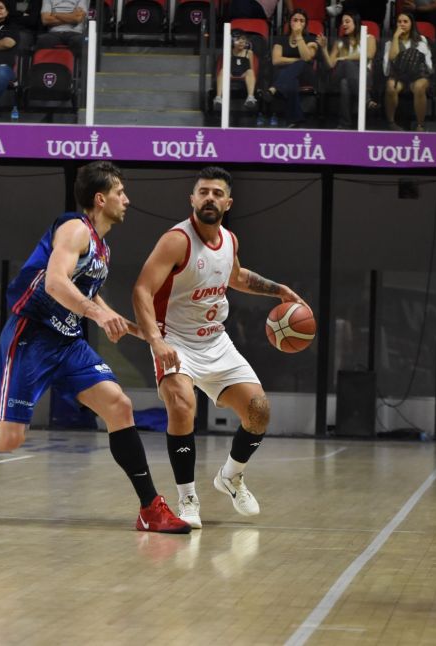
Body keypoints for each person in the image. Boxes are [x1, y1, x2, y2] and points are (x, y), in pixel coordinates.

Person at [0, 161, 190, 534]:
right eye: (120, 192)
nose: (127, 199)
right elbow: (55, 282)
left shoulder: (102, 248)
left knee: (119, 406)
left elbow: (87, 292)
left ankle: (150, 508)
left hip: (68, 342)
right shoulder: (75, 229)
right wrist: (97, 315)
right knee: (7, 439)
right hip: (32, 337)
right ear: (100, 198)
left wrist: (136, 330)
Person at [131, 166, 306, 529]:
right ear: (192, 199)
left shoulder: (230, 241)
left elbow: (236, 276)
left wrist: (279, 290)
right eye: (203, 192)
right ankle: (187, 498)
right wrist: (156, 340)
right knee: (182, 404)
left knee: (259, 411)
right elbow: (142, 290)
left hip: (215, 339)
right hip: (174, 339)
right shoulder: (177, 241)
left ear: (228, 203)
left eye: (217, 193)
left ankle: (231, 476)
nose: (209, 198)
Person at [321, 12, 377, 129]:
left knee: (345, 83)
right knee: (346, 65)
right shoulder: (340, 42)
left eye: (347, 21)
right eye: (342, 22)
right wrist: (324, 49)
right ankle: (366, 100)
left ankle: (344, 124)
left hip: (364, 75)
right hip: (339, 74)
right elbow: (330, 65)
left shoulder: (368, 38)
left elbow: (369, 54)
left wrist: (345, 57)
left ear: (356, 23)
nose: (344, 25)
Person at [266, 9, 320, 128]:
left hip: (305, 75)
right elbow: (276, 60)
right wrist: (297, 60)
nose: (298, 23)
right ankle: (295, 120)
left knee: (301, 64)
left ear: (305, 24)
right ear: (290, 22)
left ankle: (275, 87)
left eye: (302, 21)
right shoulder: (281, 39)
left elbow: (307, 58)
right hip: (285, 74)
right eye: (295, 20)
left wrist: (299, 36)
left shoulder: (311, 39)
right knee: (292, 81)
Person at [382, 12, 433, 131]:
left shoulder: (421, 40)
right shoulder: (390, 43)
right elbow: (391, 61)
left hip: (418, 76)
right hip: (399, 77)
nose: (402, 24)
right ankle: (391, 123)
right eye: (399, 22)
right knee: (390, 86)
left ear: (411, 24)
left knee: (419, 86)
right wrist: (395, 37)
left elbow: (428, 64)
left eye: (405, 21)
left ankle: (420, 125)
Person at [213, 30, 258, 111]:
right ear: (232, 41)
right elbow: (224, 65)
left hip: (243, 74)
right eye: (238, 39)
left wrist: (249, 74)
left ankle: (250, 98)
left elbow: (251, 68)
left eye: (243, 39)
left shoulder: (249, 52)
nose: (241, 42)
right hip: (231, 73)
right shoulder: (228, 51)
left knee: (250, 71)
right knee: (223, 70)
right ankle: (218, 98)